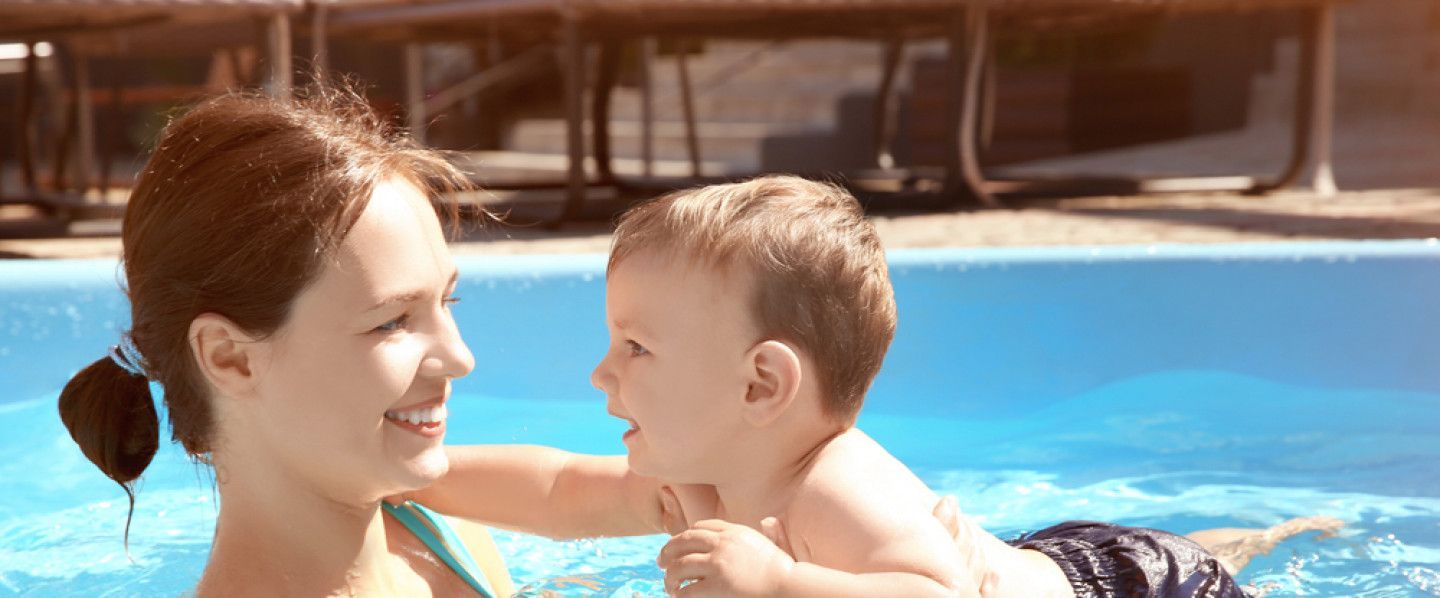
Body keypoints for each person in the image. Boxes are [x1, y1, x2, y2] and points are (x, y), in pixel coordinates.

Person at [408, 175, 1342, 597]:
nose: (600, 373)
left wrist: (779, 586)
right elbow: (561, 492)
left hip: (1136, 591)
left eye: (635, 348)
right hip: (1043, 553)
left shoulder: (835, 492)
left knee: (1230, 570)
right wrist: (410, 474)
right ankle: (1250, 537)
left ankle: (1269, 539)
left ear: (760, 384)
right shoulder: (704, 470)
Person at [57, 88, 522, 596]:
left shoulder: (448, 546)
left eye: (447, 302)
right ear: (229, 357)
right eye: (391, 322)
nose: (460, 358)